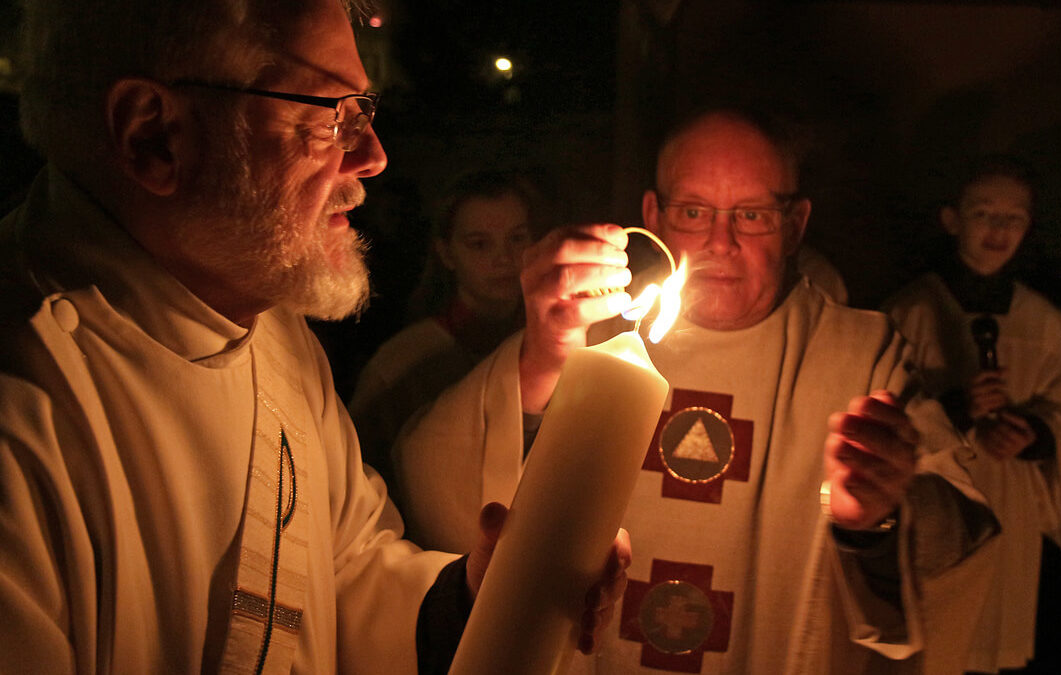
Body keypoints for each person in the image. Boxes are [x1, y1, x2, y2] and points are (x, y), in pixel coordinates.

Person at [0, 1, 628, 672]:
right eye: (329, 116)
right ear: (153, 136)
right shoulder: (26, 399)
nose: (373, 156)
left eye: (364, 112)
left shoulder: (269, 324)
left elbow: (342, 572)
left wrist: (481, 589)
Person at [395, 108, 1001, 673]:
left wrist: (877, 519)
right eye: (694, 211)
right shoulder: (584, 331)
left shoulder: (859, 356)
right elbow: (433, 477)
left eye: (752, 214)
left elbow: (964, 542)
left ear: (795, 225)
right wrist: (537, 363)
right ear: (653, 216)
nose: (720, 241)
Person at [884, 156, 1061, 673]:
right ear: (952, 219)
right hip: (939, 507)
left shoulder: (1047, 324)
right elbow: (881, 410)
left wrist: (1036, 434)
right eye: (983, 214)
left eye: (1013, 218)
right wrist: (956, 409)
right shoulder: (911, 312)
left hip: (1012, 507)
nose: (998, 230)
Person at [347, 170, 541, 499]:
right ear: (447, 252)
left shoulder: (556, 347)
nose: (504, 258)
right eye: (479, 244)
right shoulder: (402, 364)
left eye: (517, 238)